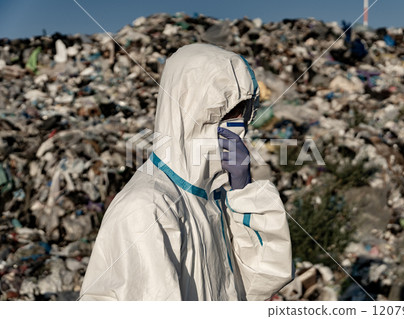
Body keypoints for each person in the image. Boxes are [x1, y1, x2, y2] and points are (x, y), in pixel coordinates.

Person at [79, 43, 293, 301]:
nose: (241, 127)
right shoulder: (148, 208)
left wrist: (243, 189)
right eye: (228, 113)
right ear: (192, 113)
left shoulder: (211, 199)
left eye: (243, 112)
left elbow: (263, 277)